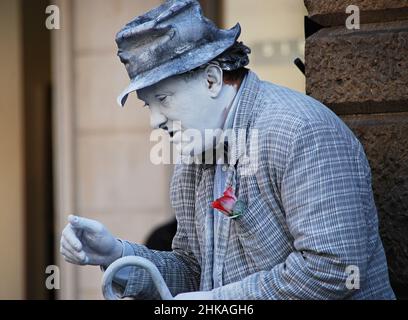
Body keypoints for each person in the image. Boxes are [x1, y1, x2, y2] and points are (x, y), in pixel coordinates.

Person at [60, 0, 395, 300]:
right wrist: (115, 255)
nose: (154, 122)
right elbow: (193, 271)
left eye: (163, 99)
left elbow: (335, 270)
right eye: (147, 104)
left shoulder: (301, 130)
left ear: (212, 79)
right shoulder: (194, 159)